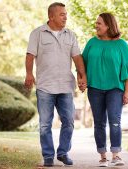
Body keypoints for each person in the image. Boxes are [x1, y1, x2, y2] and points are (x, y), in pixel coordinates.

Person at [24, 2, 87, 167]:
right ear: (51, 16)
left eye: (66, 14)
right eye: (62, 14)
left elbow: (77, 57)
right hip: (45, 86)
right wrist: (29, 73)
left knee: (69, 121)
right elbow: (30, 55)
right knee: (45, 124)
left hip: (66, 86)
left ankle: (63, 152)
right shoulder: (37, 33)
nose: (65, 17)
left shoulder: (70, 35)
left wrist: (82, 75)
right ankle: (48, 156)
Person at [82, 13, 128, 167]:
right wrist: (82, 80)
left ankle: (116, 155)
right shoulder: (92, 43)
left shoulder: (121, 45)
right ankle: (103, 157)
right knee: (99, 123)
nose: (96, 26)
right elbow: (82, 65)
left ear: (108, 26)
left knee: (115, 121)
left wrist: (127, 92)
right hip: (95, 88)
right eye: (96, 23)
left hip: (115, 89)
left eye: (99, 23)